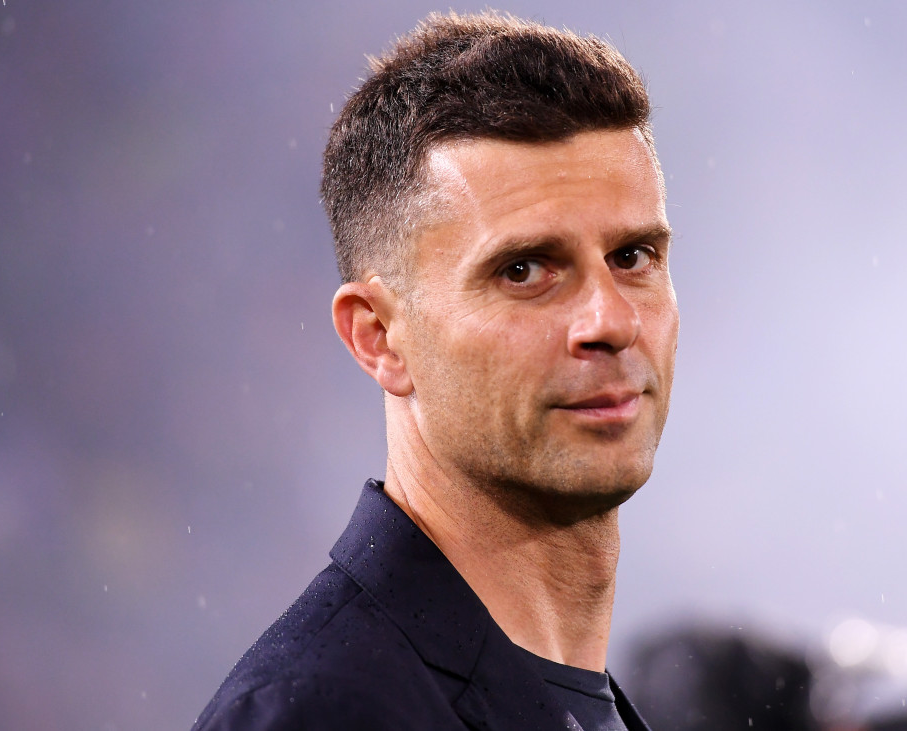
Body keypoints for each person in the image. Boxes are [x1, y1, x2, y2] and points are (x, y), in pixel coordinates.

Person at [192, 10, 678, 730]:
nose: (609, 321)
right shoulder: (321, 712)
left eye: (633, 257)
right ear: (380, 336)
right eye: (525, 270)